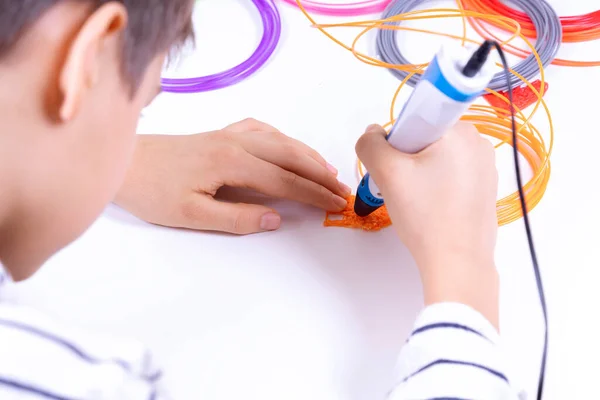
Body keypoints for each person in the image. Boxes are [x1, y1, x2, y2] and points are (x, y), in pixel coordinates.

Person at [0, 1, 518, 399]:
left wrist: (85, 155)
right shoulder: (77, 381)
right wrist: (464, 275)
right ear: (87, 61)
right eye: (138, 111)